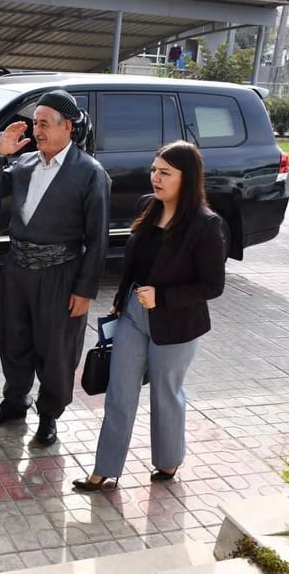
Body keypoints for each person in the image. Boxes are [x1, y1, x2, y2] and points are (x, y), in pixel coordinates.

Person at [73, 140, 226, 491]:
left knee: (165, 394)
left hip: (177, 323)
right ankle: (104, 469)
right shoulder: (148, 206)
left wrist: (164, 297)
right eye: (154, 170)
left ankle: (168, 460)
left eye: (165, 173)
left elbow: (213, 285)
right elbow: (134, 261)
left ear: (187, 178)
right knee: (119, 392)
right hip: (133, 314)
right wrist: (120, 299)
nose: (155, 178)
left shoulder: (206, 224)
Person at [0, 89, 111, 445]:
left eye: (44, 124)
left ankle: (49, 413)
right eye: (35, 123)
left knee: (56, 350)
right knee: (14, 340)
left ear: (67, 126)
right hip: (17, 269)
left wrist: (85, 290)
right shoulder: (24, 164)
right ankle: (14, 402)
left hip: (60, 273)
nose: (37, 131)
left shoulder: (89, 172)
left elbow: (97, 238)